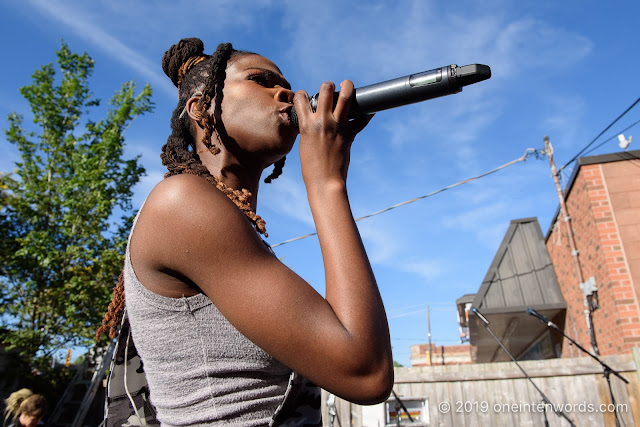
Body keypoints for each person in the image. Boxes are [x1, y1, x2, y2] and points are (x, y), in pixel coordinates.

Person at [97, 38, 393, 426]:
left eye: (284, 83)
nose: (286, 92)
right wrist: (326, 184)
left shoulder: (229, 230)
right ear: (201, 108)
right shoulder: (181, 203)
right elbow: (366, 373)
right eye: (261, 80)